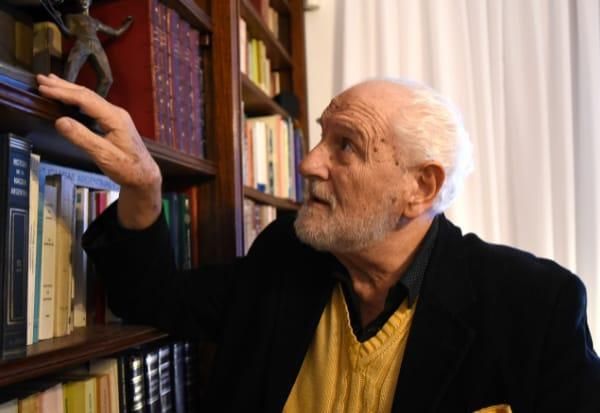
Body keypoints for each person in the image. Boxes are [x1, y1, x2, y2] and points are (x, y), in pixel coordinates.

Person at [36, 73, 600, 412]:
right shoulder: (286, 255)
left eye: (345, 146)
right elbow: (153, 298)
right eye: (319, 138)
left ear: (420, 188)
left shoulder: (534, 306)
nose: (308, 164)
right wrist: (144, 187)